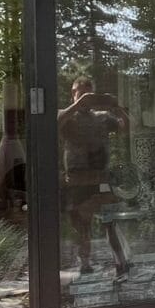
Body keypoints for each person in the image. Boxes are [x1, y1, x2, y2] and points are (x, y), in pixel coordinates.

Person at [57, 72, 129, 279]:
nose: (85, 100)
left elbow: (128, 127)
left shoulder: (103, 117)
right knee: (82, 226)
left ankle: (120, 263)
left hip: (101, 178)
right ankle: (85, 265)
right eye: (80, 95)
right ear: (73, 94)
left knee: (110, 223)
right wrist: (78, 105)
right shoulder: (66, 115)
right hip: (77, 180)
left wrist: (117, 107)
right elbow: (54, 124)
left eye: (89, 95)